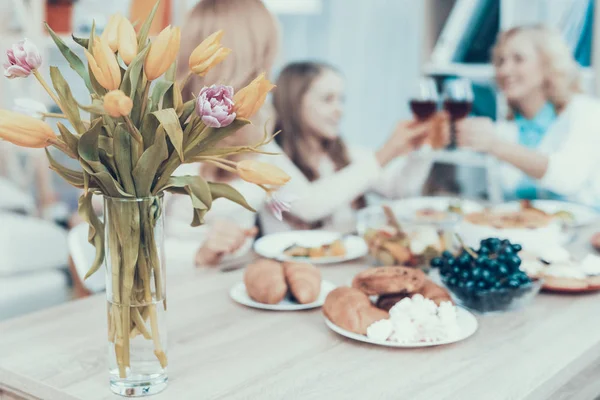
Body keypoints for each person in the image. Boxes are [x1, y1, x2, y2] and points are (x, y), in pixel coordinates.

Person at [260, 61, 437, 233]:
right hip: (290, 263)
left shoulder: (342, 153)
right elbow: (309, 205)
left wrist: (424, 146)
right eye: (327, 99)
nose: (340, 109)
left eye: (341, 99)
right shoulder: (267, 158)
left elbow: (399, 188)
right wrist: (386, 153)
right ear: (295, 103)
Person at [167, 0, 279, 267]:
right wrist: (199, 253)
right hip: (178, 292)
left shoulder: (257, 122)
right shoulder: (167, 136)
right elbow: (129, 246)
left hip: (234, 284)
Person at [455, 25, 600, 206]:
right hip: (525, 230)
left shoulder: (587, 112)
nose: (504, 70)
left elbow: (567, 178)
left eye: (518, 59)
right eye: (500, 61)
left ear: (547, 64)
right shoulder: (506, 129)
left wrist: (495, 145)